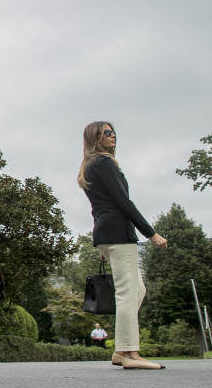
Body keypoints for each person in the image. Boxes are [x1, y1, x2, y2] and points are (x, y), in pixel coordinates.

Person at [78, 121, 168, 370]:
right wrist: (152, 234)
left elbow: (98, 208)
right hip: (117, 232)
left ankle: (121, 350)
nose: (113, 135)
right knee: (128, 294)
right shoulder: (103, 163)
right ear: (96, 137)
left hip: (107, 233)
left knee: (137, 291)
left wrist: (101, 243)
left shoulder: (89, 166)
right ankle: (130, 353)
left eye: (114, 131)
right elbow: (124, 202)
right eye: (107, 132)